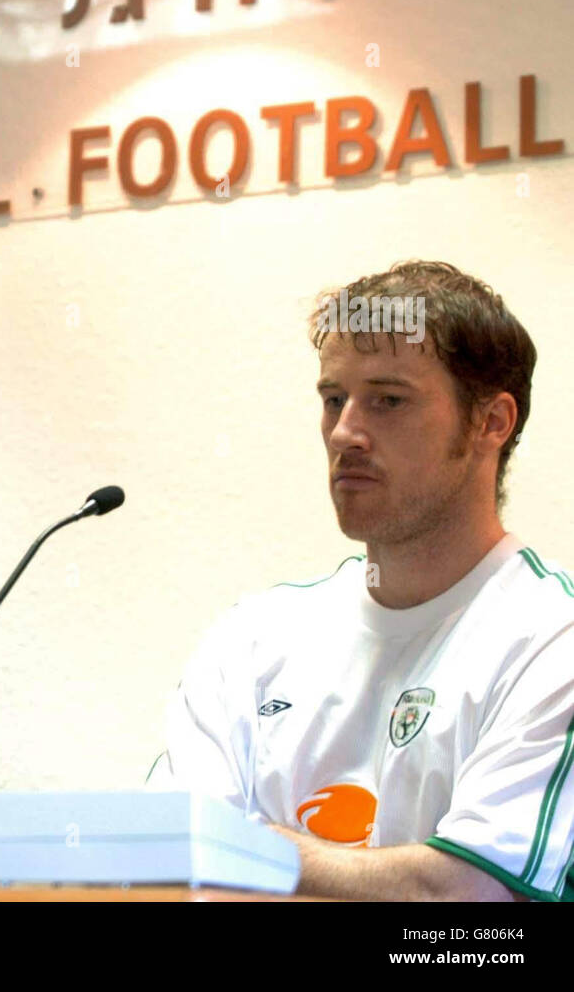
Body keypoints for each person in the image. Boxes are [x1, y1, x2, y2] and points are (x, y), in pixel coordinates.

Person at [150, 261, 574, 901]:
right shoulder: (252, 638)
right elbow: (165, 862)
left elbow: (462, 904)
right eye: (332, 399)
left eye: (389, 400)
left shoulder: (552, 639)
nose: (345, 431)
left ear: (492, 422)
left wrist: (253, 849)